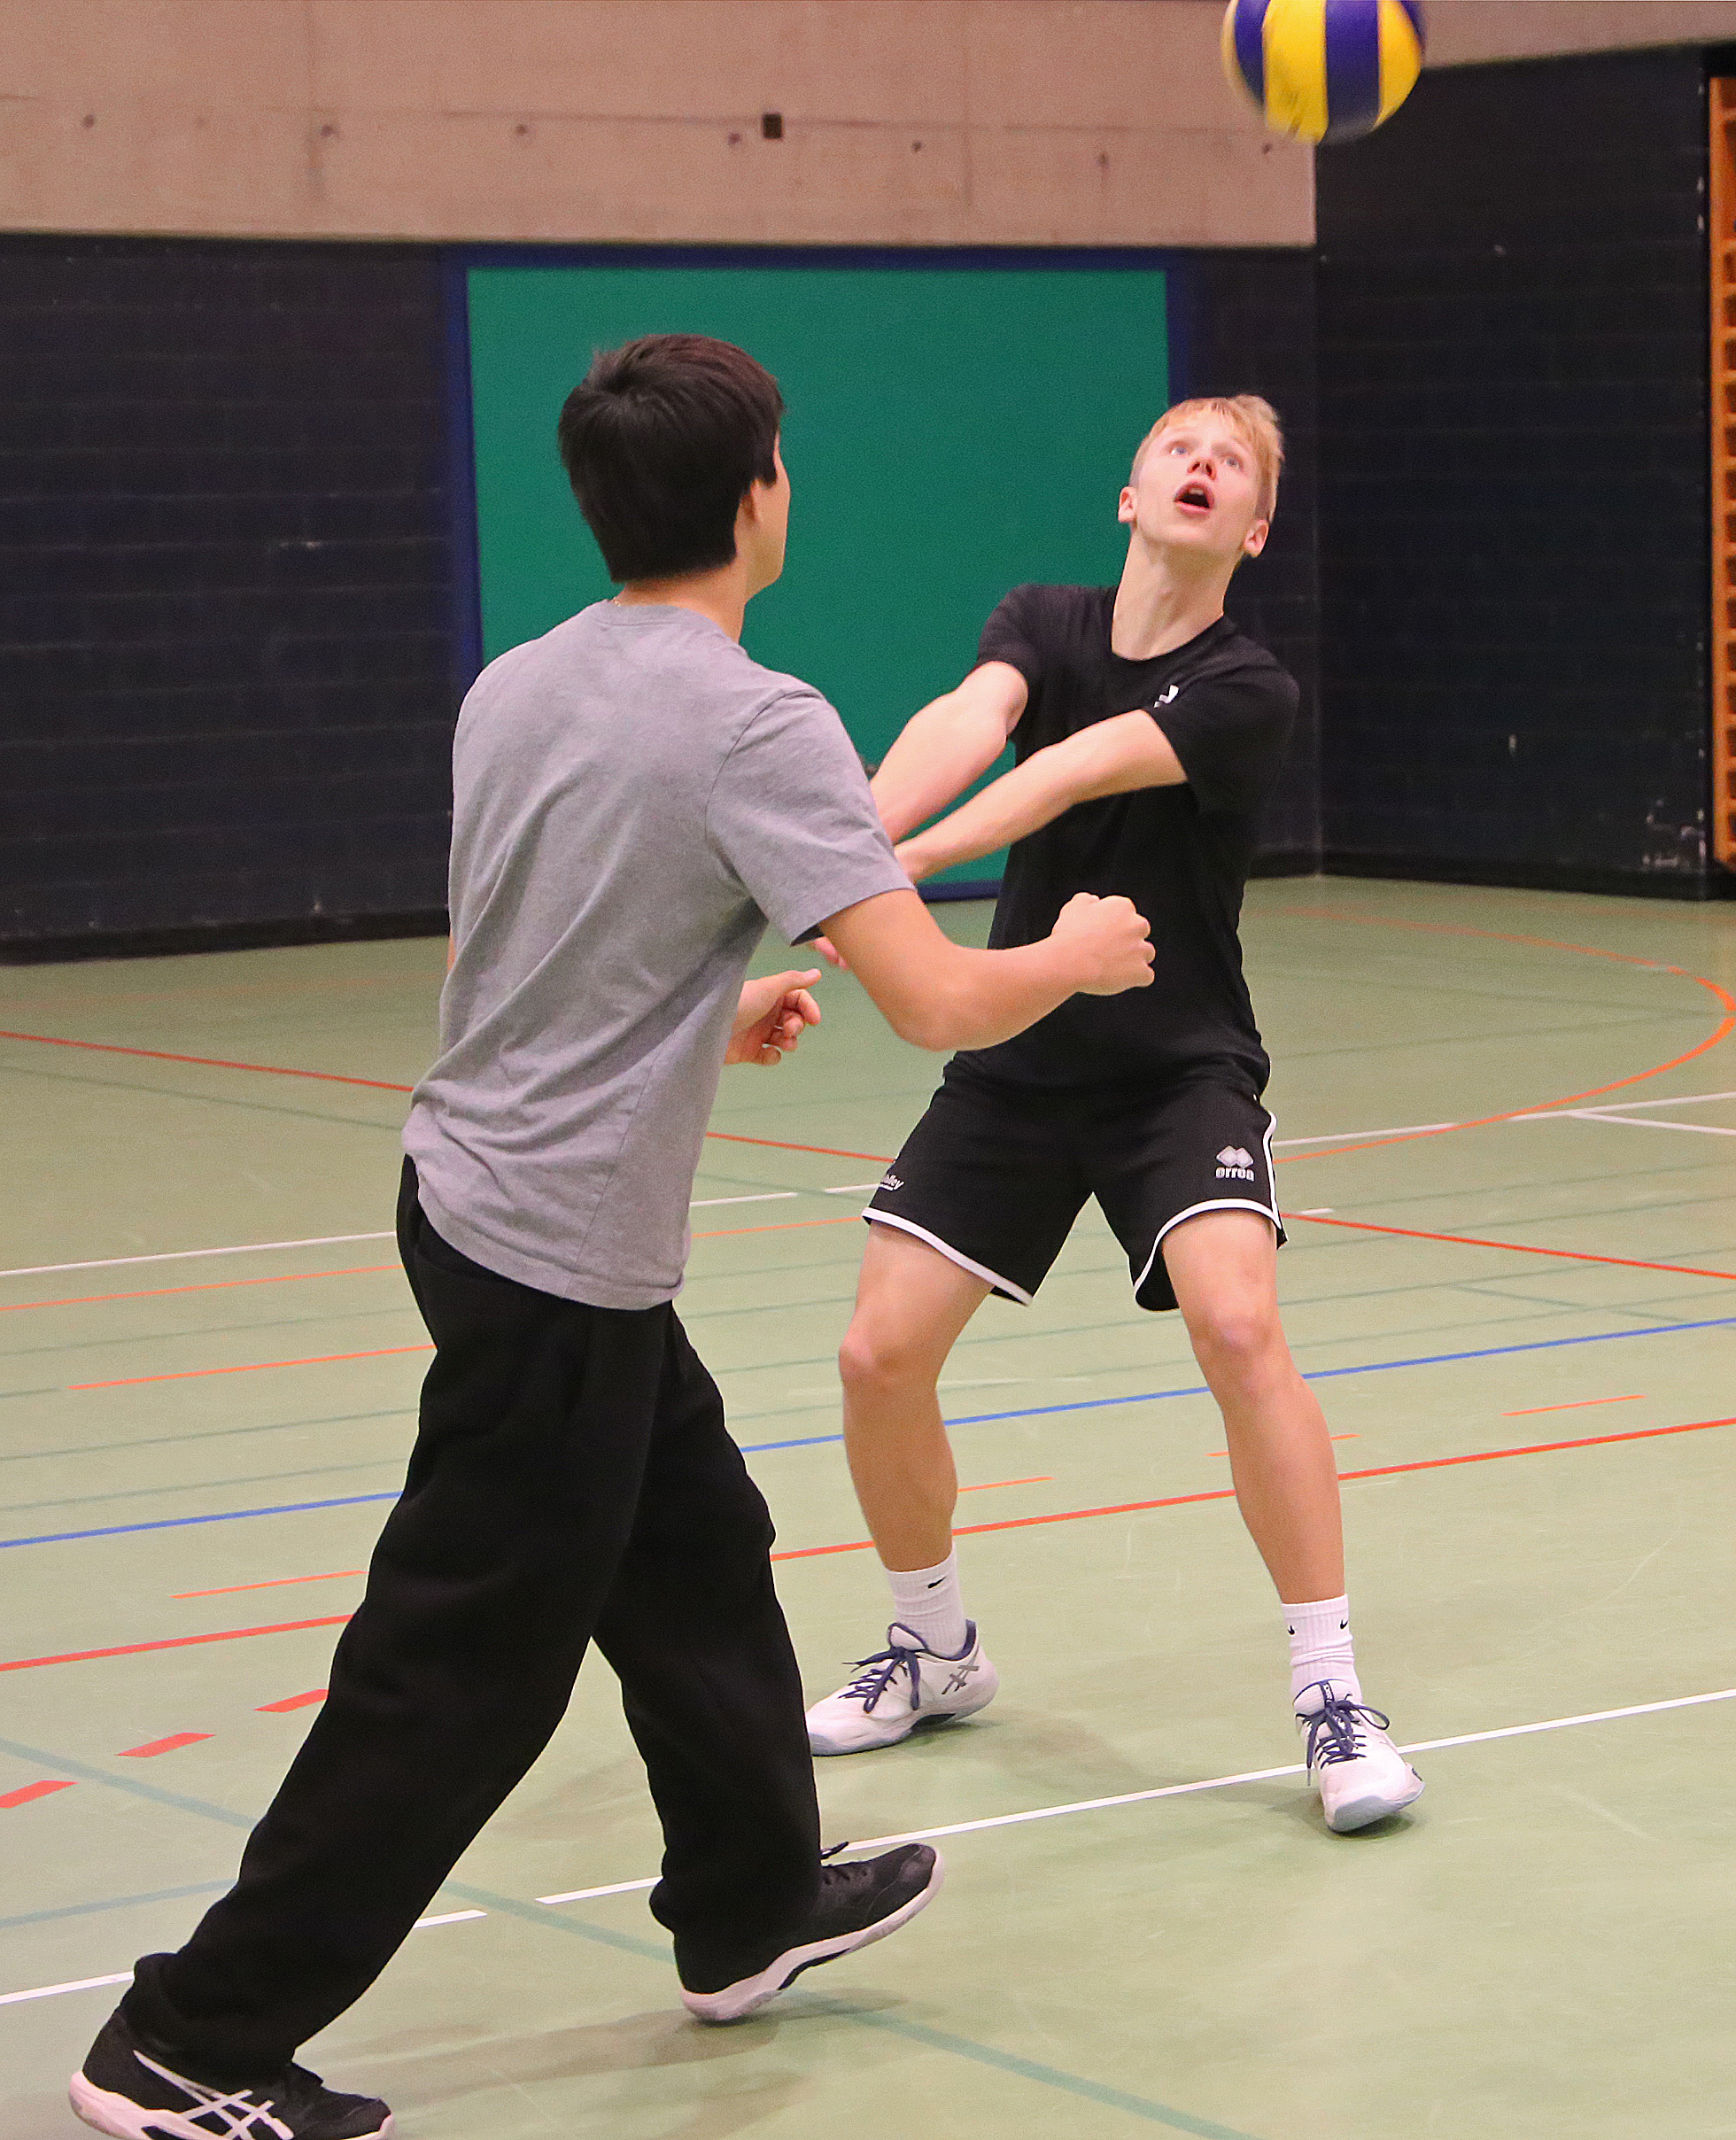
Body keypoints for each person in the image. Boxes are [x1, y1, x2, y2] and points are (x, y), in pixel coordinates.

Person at [70, 335, 1156, 2140]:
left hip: (467, 1194)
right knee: (457, 1673)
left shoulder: (515, 682)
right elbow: (938, 1003)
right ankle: (189, 2041)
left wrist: (697, 1009)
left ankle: (747, 1904)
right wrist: (1073, 955)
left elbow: (519, 953)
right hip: (557, 1257)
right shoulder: (759, 720)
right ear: (756, 496)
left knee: (698, 1552)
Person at [803, 394, 1423, 1836]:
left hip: (1176, 1072)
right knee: (876, 1355)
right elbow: (972, 722)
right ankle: (934, 1650)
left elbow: (1059, 775)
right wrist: (848, 841)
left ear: (1253, 530)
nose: (1204, 463)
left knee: (1239, 1327)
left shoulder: (1247, 689)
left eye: (1235, 463)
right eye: (1180, 447)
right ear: (1131, 494)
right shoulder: (1045, 621)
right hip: (1019, 1057)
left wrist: (880, 881)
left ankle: (1333, 1697)